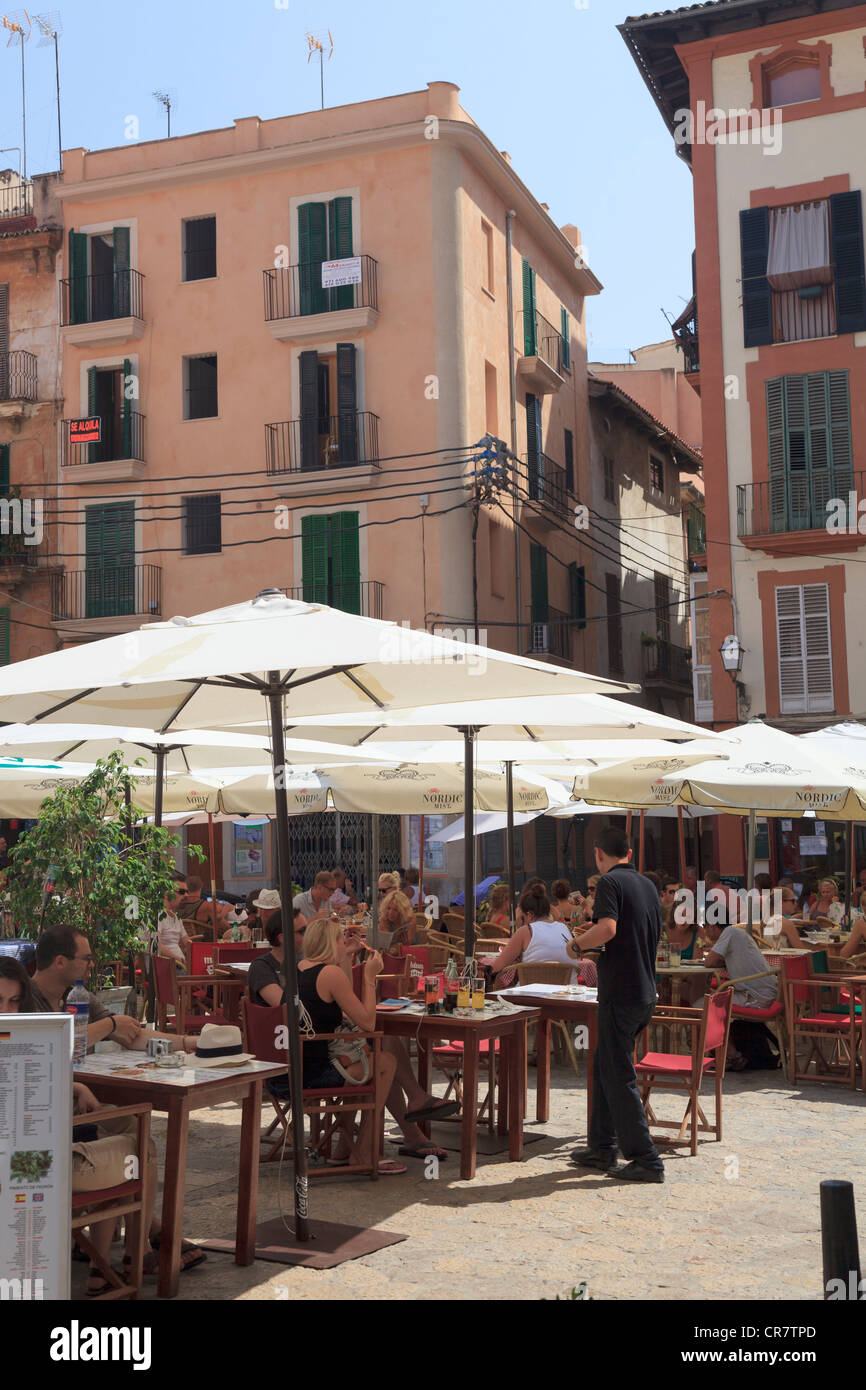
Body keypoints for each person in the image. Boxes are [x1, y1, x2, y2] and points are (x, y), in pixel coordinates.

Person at [0, 957, 179, 1289]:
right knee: (141, 1148)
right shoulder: (26, 1038)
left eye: (13, 1001)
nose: (8, 1010)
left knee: (115, 1128)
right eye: (0, 1002)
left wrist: (75, 1086)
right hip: (36, 1171)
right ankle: (126, 1259)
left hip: (24, 1166)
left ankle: (107, 1259)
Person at [297, 918, 457, 1167]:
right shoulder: (329, 974)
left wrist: (346, 958)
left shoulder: (303, 968)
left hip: (306, 1061)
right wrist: (370, 978)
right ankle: (364, 1151)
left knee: (382, 1052)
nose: (345, 943)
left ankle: (347, 1145)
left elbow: (344, 1006)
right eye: (341, 940)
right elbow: (367, 1022)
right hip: (323, 1068)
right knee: (384, 1063)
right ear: (330, 943)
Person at [565, 826, 664, 1183]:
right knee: (604, 1066)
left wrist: (576, 947)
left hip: (621, 992)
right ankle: (601, 1147)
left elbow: (607, 929)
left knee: (618, 1075)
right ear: (630, 853)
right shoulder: (647, 885)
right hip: (645, 991)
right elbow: (634, 931)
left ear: (597, 854)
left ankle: (645, 1159)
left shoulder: (609, 883)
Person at [29, 924, 199, 1053]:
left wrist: (188, 1042)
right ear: (60, 962)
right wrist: (110, 1024)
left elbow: (130, 1035)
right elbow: (51, 1044)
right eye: (86, 958)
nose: (92, 964)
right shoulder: (20, 998)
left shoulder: (76, 994)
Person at [700, 917, 779, 1070]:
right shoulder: (737, 933)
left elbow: (709, 963)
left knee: (710, 1004)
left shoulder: (729, 933)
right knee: (713, 996)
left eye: (706, 926)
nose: (705, 930)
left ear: (713, 925)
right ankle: (720, 1050)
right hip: (765, 992)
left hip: (757, 997)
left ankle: (732, 1056)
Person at [480, 884, 597, 986]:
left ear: (529, 915)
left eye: (523, 917)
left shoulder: (526, 931)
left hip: (533, 997)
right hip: (566, 994)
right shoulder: (564, 928)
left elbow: (498, 966)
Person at [157, 873, 192, 965]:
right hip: (164, 967)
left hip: (178, 966)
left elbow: (188, 943)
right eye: (181, 892)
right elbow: (157, 946)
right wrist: (181, 961)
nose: (186, 895)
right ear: (166, 894)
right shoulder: (157, 914)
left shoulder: (176, 917)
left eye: (187, 892)